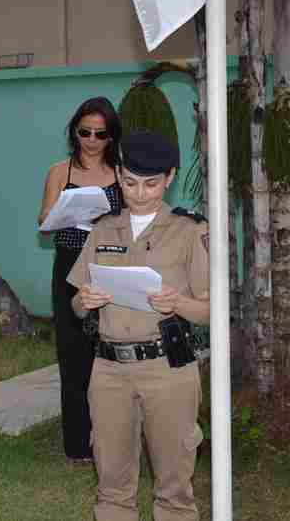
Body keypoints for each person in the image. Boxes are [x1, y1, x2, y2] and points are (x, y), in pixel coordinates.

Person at [67, 132, 209, 521]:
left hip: (167, 368)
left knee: (174, 486)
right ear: (117, 175)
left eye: (151, 184)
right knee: (111, 486)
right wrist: (85, 301)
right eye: (130, 183)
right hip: (109, 370)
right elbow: (76, 304)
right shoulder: (103, 229)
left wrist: (178, 303)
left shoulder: (190, 230)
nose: (140, 193)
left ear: (170, 177)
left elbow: (211, 311)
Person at [38, 97, 123, 463]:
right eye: (84, 132)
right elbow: (44, 222)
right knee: (73, 354)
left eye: (100, 134)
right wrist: (69, 214)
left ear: (111, 136)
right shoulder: (60, 171)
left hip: (112, 265)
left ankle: (114, 437)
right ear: (74, 131)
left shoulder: (121, 172)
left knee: (113, 351)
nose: (91, 140)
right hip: (71, 266)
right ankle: (77, 444)